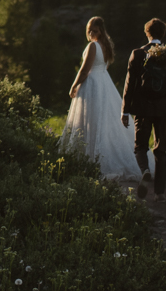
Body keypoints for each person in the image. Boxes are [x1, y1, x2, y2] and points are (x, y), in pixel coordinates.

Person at [58, 17, 142, 180]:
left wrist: (74, 85)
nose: (91, 33)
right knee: (102, 121)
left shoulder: (93, 46)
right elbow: (103, 67)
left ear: (101, 31)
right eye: (89, 30)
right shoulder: (106, 46)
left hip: (93, 85)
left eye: (94, 30)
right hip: (104, 83)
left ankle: (92, 158)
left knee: (92, 120)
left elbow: (84, 70)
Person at [121, 17, 166, 199]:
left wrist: (125, 111)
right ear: (163, 34)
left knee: (140, 146)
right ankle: (159, 193)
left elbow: (129, 84)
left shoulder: (137, 54)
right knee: (161, 149)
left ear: (147, 33)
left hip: (142, 108)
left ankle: (145, 171)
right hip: (164, 109)